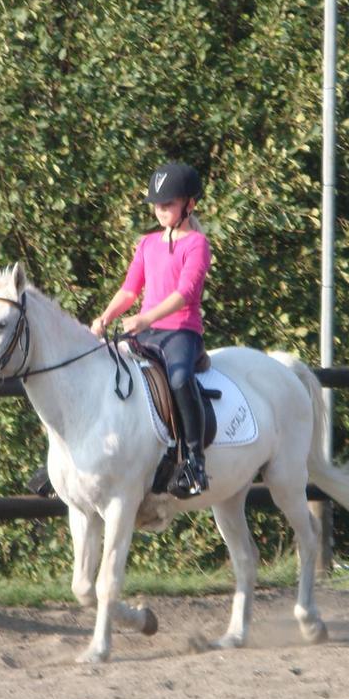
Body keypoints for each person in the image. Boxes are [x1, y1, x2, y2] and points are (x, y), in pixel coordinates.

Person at [91, 161, 212, 496]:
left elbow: (185, 293)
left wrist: (146, 319)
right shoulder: (147, 244)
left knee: (179, 379)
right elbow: (130, 290)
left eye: (168, 204)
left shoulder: (196, 244)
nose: (160, 211)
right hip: (144, 333)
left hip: (180, 332)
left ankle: (194, 461)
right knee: (103, 368)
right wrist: (105, 317)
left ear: (190, 204)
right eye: (157, 205)